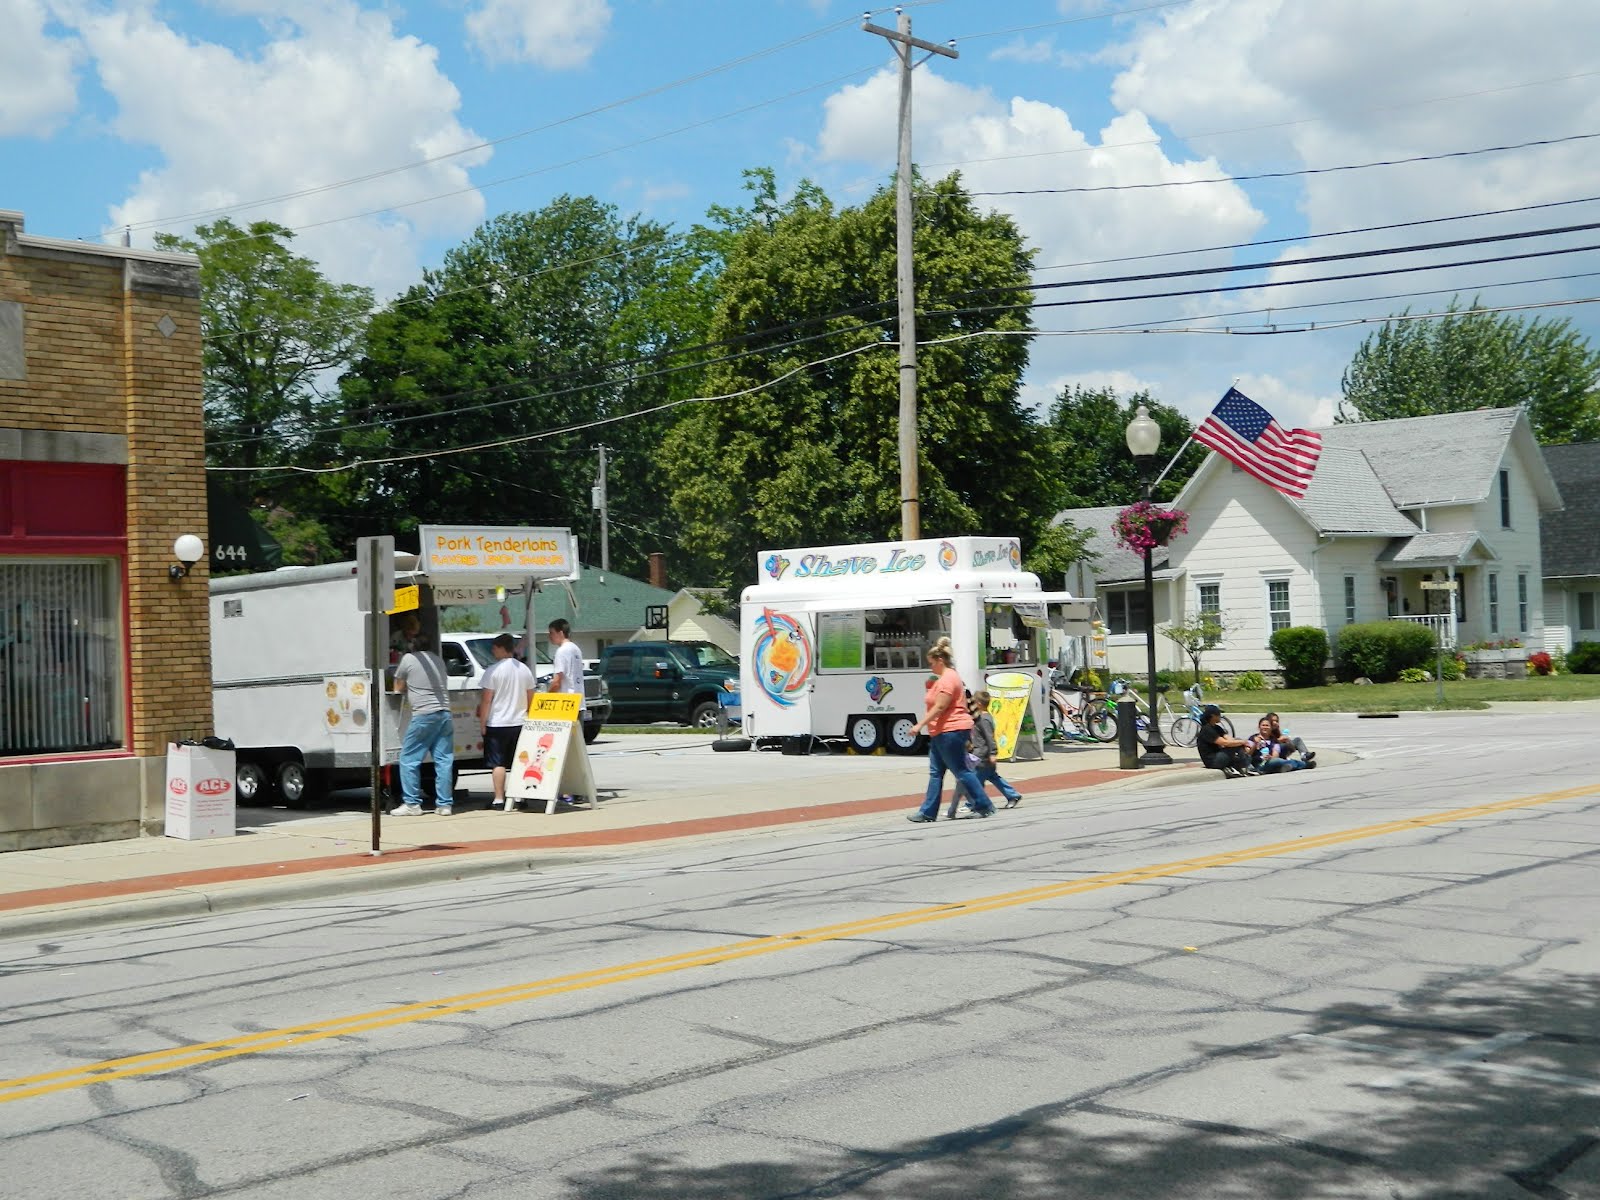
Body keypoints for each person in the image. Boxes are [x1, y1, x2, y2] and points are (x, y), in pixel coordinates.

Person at [907, 637, 994, 823]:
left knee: (961, 771)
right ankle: (928, 812)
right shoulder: (945, 679)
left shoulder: (948, 680)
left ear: (940, 661)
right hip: (940, 732)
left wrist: (919, 725)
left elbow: (940, 707)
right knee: (936, 773)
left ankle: (984, 805)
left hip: (950, 731)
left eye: (931, 664)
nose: (930, 668)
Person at [391, 632, 456, 815]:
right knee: (443, 761)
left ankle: (412, 804)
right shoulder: (438, 660)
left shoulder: (409, 659)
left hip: (424, 714)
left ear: (412, 645)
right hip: (444, 713)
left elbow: (398, 687)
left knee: (409, 759)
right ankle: (444, 805)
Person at [478, 632, 535, 811]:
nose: (493, 652)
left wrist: (482, 722)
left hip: (497, 723)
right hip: (520, 722)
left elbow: (486, 700)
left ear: (503, 649)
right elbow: (531, 697)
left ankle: (499, 799)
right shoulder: (524, 670)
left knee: (498, 763)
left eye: (495, 648)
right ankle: (519, 797)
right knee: (520, 761)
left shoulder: (492, 671)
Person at [546, 618, 589, 804]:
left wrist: (547, 695)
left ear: (559, 632)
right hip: (579, 702)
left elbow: (557, 680)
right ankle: (580, 789)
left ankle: (566, 791)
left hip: (566, 704)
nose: (550, 637)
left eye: (551, 633)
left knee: (562, 749)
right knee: (576, 750)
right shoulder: (576, 649)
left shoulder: (562, 651)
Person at [964, 690, 1022, 810]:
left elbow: (990, 738)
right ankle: (1012, 795)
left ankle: (972, 803)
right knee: (993, 777)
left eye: (973, 702)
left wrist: (992, 753)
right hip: (981, 754)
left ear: (978, 703)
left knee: (974, 779)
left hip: (982, 755)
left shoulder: (984, 719)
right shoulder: (982, 718)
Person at [1196, 704, 1253, 778]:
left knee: (1237, 742)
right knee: (1236, 745)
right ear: (1213, 716)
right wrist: (1242, 742)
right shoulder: (1207, 729)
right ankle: (1246, 767)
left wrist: (1242, 743)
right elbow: (1224, 742)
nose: (1220, 716)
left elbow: (1229, 739)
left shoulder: (1217, 728)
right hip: (1212, 761)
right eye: (1219, 714)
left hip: (1219, 755)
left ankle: (1240, 767)